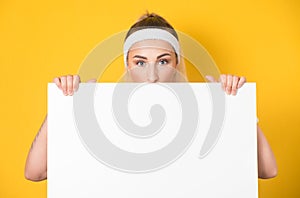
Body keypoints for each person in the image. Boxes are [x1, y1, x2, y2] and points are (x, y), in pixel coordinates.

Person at [24, 12, 277, 182]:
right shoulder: (101, 115)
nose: (152, 75)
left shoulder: (207, 114)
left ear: (177, 63)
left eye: (163, 61)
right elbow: (35, 172)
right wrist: (62, 107)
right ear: (127, 65)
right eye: (140, 62)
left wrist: (237, 108)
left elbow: (267, 170)